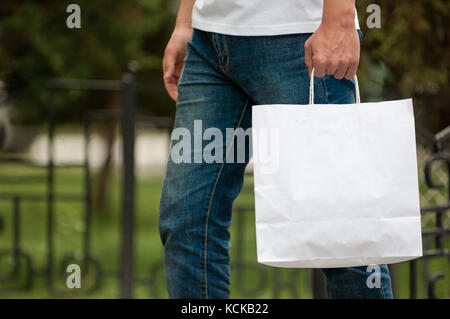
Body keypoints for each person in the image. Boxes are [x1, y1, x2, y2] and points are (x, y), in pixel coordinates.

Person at [159, 0, 393, 299]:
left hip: (300, 38)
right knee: (186, 223)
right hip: (209, 42)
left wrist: (341, 17)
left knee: (342, 234)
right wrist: (186, 21)